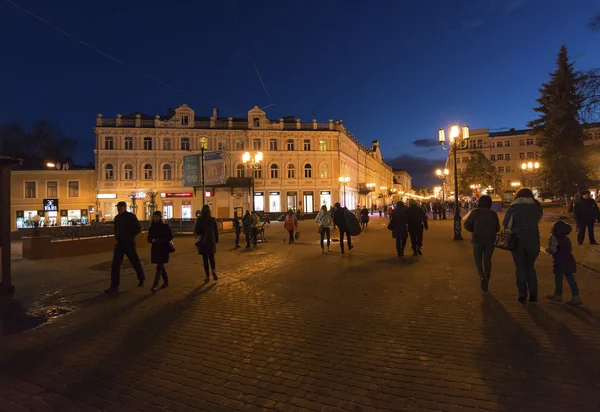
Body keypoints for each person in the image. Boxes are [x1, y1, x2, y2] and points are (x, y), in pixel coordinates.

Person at [503, 188, 543, 303]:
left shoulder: (513, 207)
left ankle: (522, 294)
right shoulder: (537, 207)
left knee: (520, 267)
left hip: (517, 240)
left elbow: (506, 224)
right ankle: (534, 294)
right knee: (530, 266)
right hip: (533, 240)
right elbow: (538, 219)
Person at [106, 201, 146, 294]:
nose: (118, 208)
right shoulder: (117, 218)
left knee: (134, 261)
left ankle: (141, 278)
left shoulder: (131, 216)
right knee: (115, 264)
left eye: (120, 207)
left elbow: (138, 228)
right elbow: (116, 229)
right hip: (120, 243)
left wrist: (130, 236)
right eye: (117, 207)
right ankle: (114, 286)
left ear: (124, 207)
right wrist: (117, 236)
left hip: (129, 243)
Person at [463, 195, 500, 292]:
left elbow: (466, 225)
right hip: (490, 240)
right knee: (487, 260)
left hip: (477, 239)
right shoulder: (493, 214)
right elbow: (498, 228)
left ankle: (482, 277)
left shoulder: (475, 213)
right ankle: (487, 278)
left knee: (478, 261)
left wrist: (473, 230)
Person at [545, 221, 582, 305]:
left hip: (559, 259)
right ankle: (576, 296)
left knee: (558, 277)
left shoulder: (554, 237)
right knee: (570, 278)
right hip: (569, 259)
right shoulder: (566, 238)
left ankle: (558, 295)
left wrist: (547, 250)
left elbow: (553, 249)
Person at [147, 211, 173, 292]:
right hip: (155, 249)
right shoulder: (152, 227)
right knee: (161, 266)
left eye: (157, 217)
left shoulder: (165, 226)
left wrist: (160, 240)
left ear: (160, 217)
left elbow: (170, 236)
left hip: (163, 249)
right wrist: (152, 240)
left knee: (159, 266)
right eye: (154, 217)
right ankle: (166, 281)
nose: (155, 218)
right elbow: (149, 238)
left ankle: (155, 285)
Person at [194, 205, 219, 283]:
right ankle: (213, 270)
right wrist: (216, 240)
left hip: (203, 241)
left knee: (205, 259)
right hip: (211, 240)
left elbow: (196, 230)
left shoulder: (199, 220)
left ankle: (207, 276)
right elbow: (216, 231)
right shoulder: (212, 219)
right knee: (211, 256)